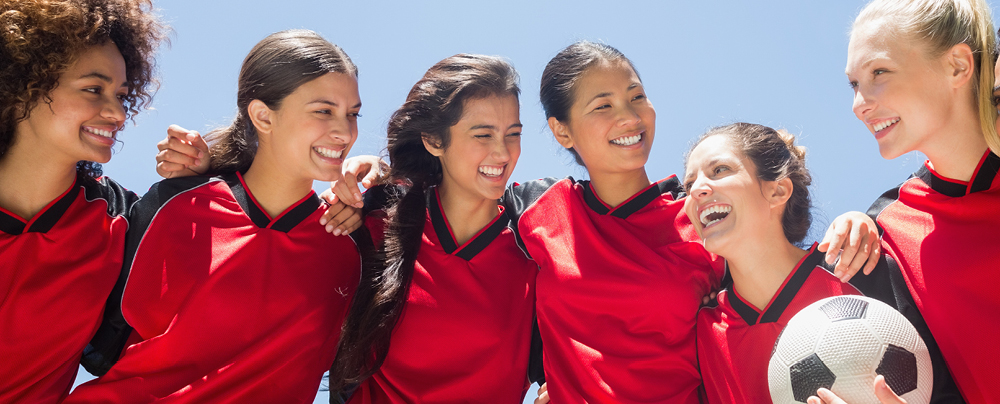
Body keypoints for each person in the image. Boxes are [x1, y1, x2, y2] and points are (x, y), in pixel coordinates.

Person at [64, 29, 365, 403]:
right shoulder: (178, 205)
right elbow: (99, 335)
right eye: (324, 111)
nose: (344, 131)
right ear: (262, 116)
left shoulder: (351, 247)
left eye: (352, 113)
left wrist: (380, 176)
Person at [686, 123, 962, 404]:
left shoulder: (862, 270)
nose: (696, 190)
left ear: (778, 191)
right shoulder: (701, 330)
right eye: (689, 184)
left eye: (719, 170)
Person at [323, 54, 538, 403]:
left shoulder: (535, 246)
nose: (502, 152)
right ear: (433, 141)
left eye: (513, 134)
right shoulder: (376, 224)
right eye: (483, 134)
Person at [0, 0, 165, 402]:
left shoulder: (121, 221)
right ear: (22, 86)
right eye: (93, 89)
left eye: (121, 94)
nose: (116, 113)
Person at [840, 0, 1000, 403]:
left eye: (879, 73)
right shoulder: (886, 233)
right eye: (854, 84)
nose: (859, 105)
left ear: (958, 66)